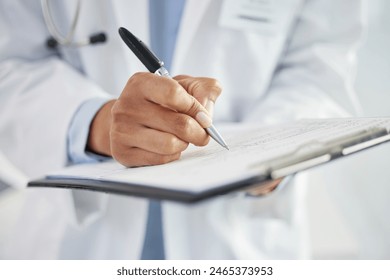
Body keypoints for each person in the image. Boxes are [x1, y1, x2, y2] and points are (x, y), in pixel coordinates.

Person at [0, 0, 362, 259]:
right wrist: (100, 122)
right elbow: (9, 65)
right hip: (77, 248)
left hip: (237, 248)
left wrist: (272, 154)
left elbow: (319, 70)